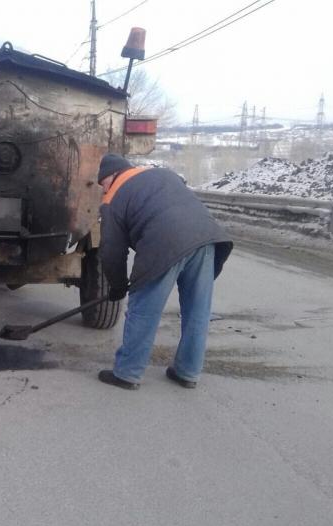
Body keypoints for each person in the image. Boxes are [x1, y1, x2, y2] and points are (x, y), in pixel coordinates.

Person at [95, 154, 233, 390]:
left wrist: (117, 285)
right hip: (208, 239)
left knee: (144, 311)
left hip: (164, 244)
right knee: (197, 312)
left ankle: (128, 373)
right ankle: (187, 372)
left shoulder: (113, 197)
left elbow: (111, 250)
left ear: (110, 177)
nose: (104, 190)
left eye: (103, 185)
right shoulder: (164, 174)